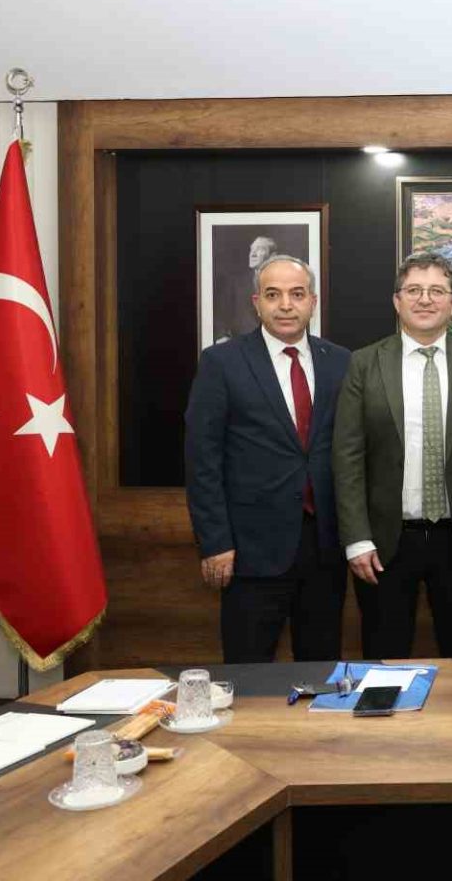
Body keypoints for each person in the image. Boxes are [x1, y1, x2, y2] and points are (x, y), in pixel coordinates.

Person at [332, 253, 452, 658]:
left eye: (437, 291)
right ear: (397, 301)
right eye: (414, 290)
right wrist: (356, 539)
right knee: (384, 658)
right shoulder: (364, 364)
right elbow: (347, 457)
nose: (425, 299)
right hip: (385, 543)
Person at [185, 254, 350, 662]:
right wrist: (215, 542)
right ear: (256, 303)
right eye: (273, 295)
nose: (286, 305)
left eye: (297, 294)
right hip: (250, 551)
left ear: (313, 302)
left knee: (321, 671)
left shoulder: (341, 362)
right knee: (248, 674)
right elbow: (202, 460)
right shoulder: (222, 363)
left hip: (325, 548)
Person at [215, 234, 278, 344]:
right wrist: (223, 335)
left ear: (272, 256)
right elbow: (222, 315)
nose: (252, 254)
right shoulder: (236, 284)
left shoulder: (284, 283)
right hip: (242, 344)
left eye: (260, 249)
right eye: (251, 249)